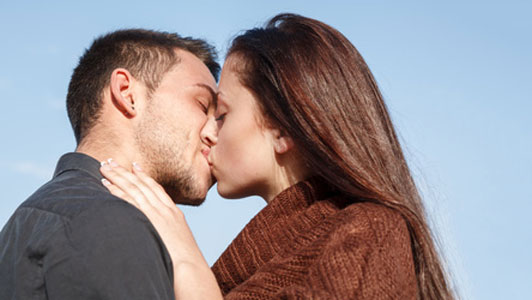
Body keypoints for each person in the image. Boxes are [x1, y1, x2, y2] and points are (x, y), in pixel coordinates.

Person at [101, 14, 455, 300]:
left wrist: (184, 256)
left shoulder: (370, 232)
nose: (208, 132)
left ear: (283, 129)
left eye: (222, 114)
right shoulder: (260, 259)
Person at [0, 29, 222, 299]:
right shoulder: (108, 223)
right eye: (202, 105)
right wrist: (190, 264)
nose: (215, 133)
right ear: (127, 93)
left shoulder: (26, 223)